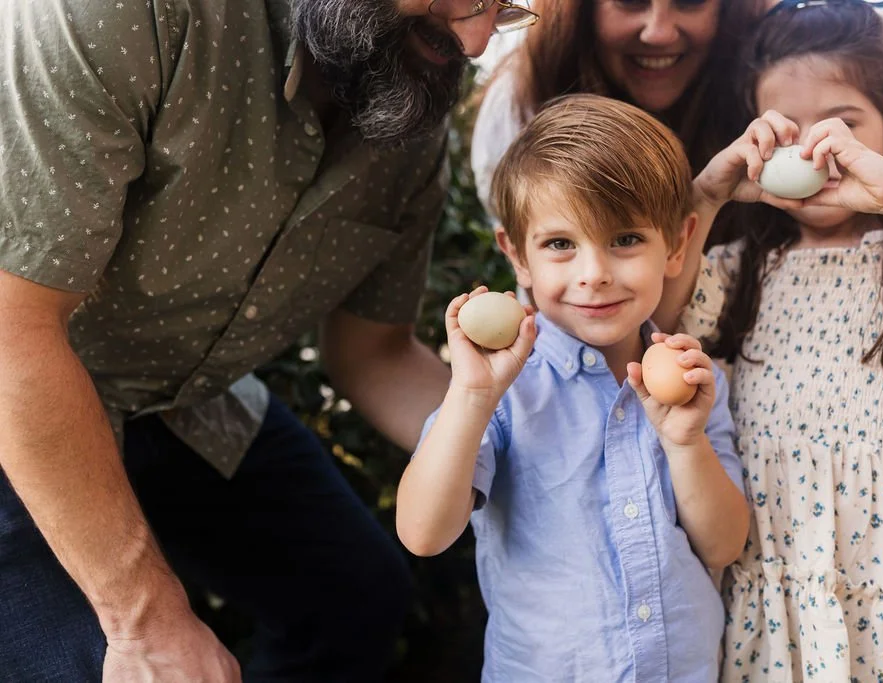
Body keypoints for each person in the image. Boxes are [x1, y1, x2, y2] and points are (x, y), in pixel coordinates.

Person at [0, 0, 538, 680]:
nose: (477, 38)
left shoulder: (408, 108)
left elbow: (374, 352)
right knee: (98, 663)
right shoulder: (129, 14)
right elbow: (13, 328)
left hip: (178, 399)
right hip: (23, 392)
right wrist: (147, 618)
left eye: (503, 8)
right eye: (461, 1)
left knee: (355, 593)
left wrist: (536, 443)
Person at [659, 0, 883, 679]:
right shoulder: (738, 271)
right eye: (786, 131)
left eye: (843, 126)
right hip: (763, 566)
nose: (814, 151)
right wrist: (707, 194)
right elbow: (650, 323)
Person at [395, 94, 750, 681]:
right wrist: (473, 397)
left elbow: (723, 546)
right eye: (561, 244)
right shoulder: (502, 392)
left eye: (625, 239)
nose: (594, 273)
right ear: (518, 256)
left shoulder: (692, 381)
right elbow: (424, 534)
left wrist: (687, 445)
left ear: (677, 245)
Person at [471, 0, 765, 246]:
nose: (658, 33)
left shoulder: (771, 84)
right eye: (631, 0)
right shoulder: (518, 103)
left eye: (689, 1)